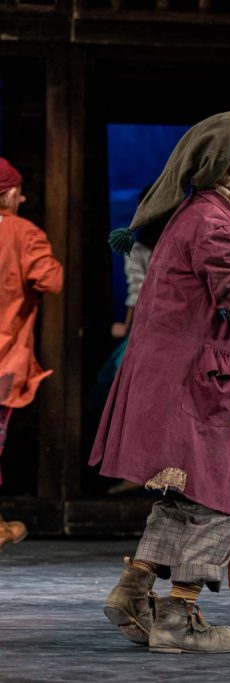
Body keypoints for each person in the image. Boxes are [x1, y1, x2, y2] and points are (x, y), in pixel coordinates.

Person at [90, 110, 230, 654]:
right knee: (218, 498)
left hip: (186, 377)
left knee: (185, 498)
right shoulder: (214, 223)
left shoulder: (207, 214)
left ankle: (133, 592)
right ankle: (178, 618)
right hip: (197, 383)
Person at [0, 157, 64, 549]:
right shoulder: (22, 233)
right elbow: (51, 279)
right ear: (8, 193)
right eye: (18, 191)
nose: (22, 198)